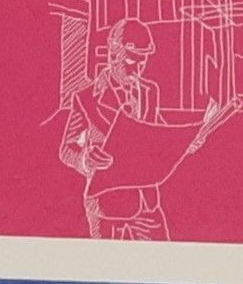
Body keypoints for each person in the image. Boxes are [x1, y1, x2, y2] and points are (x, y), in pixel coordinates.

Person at [58, 17, 171, 241]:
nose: (138, 70)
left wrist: (187, 139)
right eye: (132, 61)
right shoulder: (86, 99)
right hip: (106, 206)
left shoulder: (150, 92)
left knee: (165, 259)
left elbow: (158, 129)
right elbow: (66, 148)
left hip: (147, 203)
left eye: (142, 62)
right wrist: (85, 160)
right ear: (113, 56)